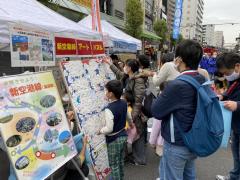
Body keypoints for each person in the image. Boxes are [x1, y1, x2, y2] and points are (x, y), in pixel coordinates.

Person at [151, 40, 205, 180]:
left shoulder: (177, 85)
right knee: (189, 174)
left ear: (179, 60)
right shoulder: (202, 79)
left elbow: (156, 111)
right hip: (194, 140)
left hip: (177, 143)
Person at [105, 58, 147, 166]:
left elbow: (138, 101)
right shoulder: (127, 76)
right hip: (128, 108)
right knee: (132, 133)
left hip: (135, 111)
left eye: (126, 65)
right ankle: (131, 156)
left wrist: (132, 116)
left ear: (130, 68)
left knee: (138, 133)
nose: (124, 67)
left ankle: (140, 159)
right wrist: (110, 64)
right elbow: (119, 73)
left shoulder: (138, 80)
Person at [215, 53, 240, 180]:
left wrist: (237, 105)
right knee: (236, 154)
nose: (225, 76)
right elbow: (228, 91)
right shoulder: (234, 79)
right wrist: (222, 96)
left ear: (237, 66)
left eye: (227, 73)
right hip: (236, 125)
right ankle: (235, 176)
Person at [98, 80, 127, 180]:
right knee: (120, 161)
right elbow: (128, 116)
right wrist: (130, 123)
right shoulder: (124, 102)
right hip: (123, 135)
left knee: (113, 164)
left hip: (114, 139)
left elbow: (109, 129)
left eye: (106, 91)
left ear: (110, 94)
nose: (105, 92)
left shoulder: (109, 109)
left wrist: (100, 131)